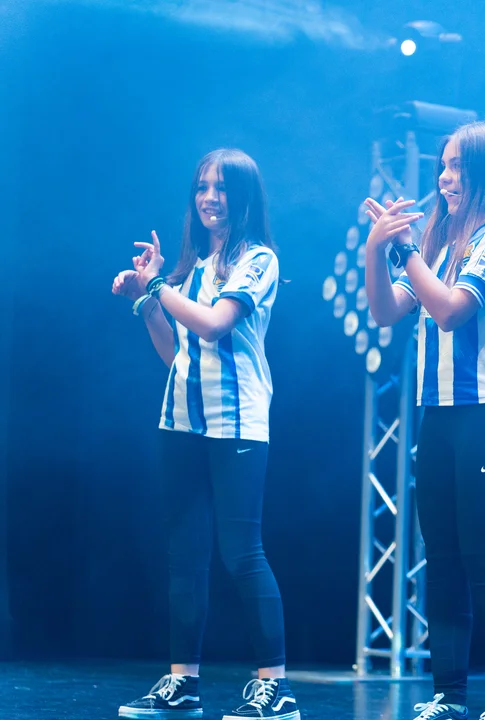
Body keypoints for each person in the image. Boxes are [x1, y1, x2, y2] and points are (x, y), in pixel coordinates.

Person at [110, 148, 300, 720]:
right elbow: (178, 354)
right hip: (181, 420)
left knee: (242, 553)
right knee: (185, 556)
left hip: (237, 421)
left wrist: (155, 286)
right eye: (201, 187)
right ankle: (183, 682)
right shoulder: (193, 267)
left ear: (244, 196)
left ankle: (275, 688)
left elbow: (215, 326)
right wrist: (147, 302)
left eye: (221, 187)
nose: (209, 198)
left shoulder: (258, 259)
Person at [364, 120, 485, 720]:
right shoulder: (438, 245)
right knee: (440, 559)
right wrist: (377, 248)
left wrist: (405, 250)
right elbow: (385, 311)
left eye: (458, 165)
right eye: (443, 164)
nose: (444, 177)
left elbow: (450, 311)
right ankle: (449, 695)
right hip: (437, 416)